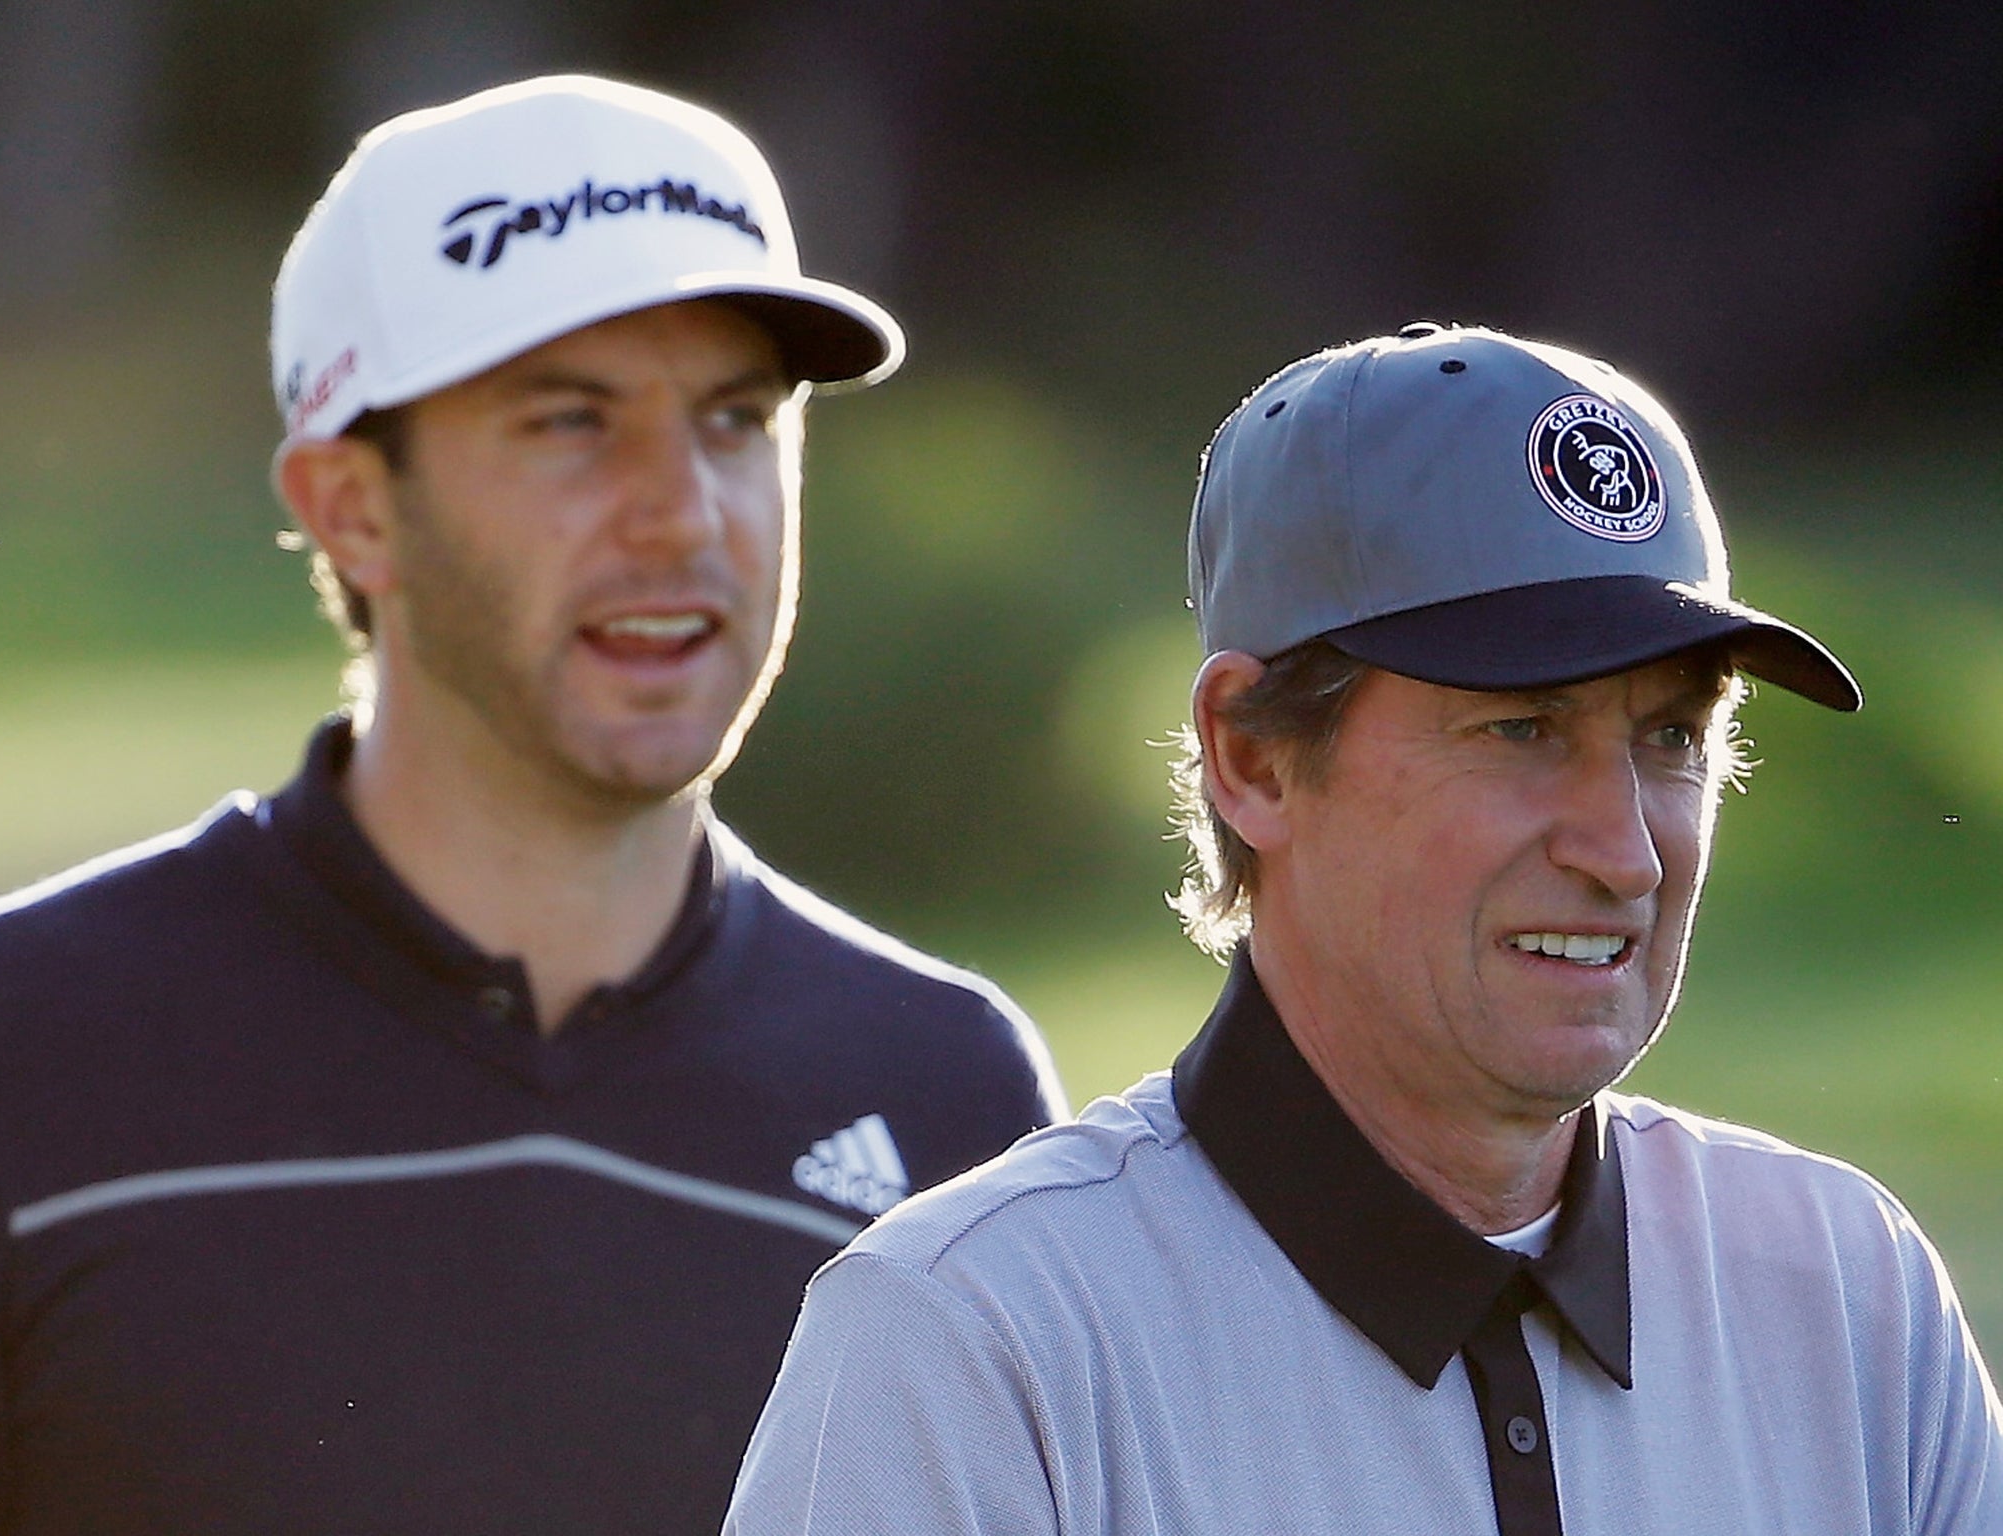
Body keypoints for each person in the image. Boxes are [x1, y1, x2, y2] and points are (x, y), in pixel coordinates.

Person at [0, 75, 1065, 1535]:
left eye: (734, 421)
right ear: (352, 505)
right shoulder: (2, 1056)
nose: (683, 510)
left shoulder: (952, 1095)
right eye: (571, 423)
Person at [725, 324, 2003, 1534]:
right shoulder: (973, 1344)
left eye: (1669, 735)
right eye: (1520, 728)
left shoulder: (1848, 1298)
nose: (1621, 850)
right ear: (1252, 760)